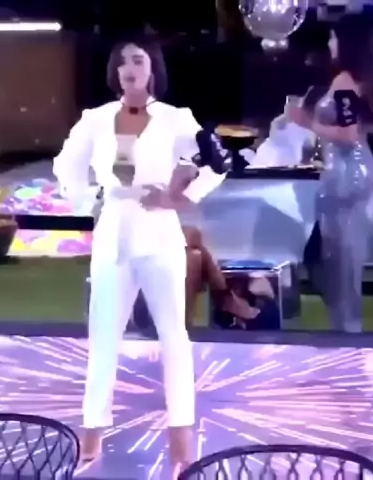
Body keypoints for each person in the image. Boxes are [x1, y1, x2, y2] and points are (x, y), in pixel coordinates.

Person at [53, 36, 226, 467]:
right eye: (123, 61)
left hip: (159, 235)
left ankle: (182, 444)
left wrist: (179, 198)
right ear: (115, 71)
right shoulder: (95, 119)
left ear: (152, 69)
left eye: (138, 60)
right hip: (112, 235)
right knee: (103, 338)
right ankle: (91, 438)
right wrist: (89, 199)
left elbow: (216, 164)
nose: (130, 68)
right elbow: (66, 165)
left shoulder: (174, 119)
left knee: (174, 338)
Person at [286, 14, 373, 333]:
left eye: (333, 37)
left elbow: (348, 134)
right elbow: (366, 128)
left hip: (345, 176)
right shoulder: (363, 80)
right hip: (351, 173)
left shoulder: (344, 80)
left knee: (340, 262)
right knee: (340, 259)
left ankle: (347, 333)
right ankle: (346, 327)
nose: (330, 43)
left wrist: (305, 121)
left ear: (347, 43)